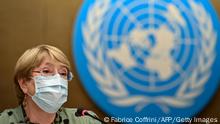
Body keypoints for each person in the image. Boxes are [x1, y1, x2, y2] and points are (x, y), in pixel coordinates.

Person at [0, 44, 101, 124]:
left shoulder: (85, 120)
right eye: (46, 71)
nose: (58, 79)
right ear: (24, 84)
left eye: (63, 73)